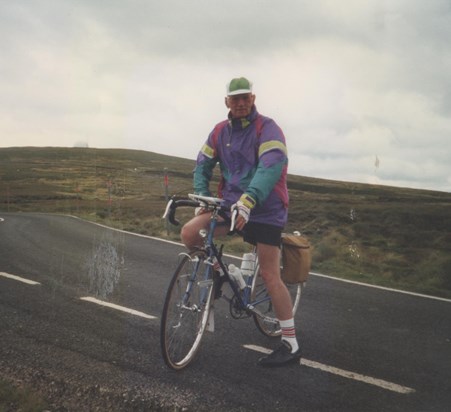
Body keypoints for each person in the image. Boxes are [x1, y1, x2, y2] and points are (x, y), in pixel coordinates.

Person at [181, 77, 301, 367]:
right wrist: (201, 196)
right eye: (235, 99)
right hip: (230, 204)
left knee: (271, 274)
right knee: (190, 233)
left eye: (245, 97)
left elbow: (271, 167)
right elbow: (203, 163)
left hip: (265, 208)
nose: (241, 102)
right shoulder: (220, 131)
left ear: (253, 97)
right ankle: (222, 279)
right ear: (227, 102)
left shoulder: (268, 128)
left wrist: (248, 201)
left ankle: (291, 343)